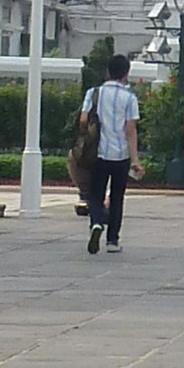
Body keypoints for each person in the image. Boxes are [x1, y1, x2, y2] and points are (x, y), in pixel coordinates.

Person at [78, 52, 141, 255]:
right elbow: (130, 130)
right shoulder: (130, 98)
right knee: (117, 196)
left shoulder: (94, 93)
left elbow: (83, 119)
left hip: (99, 152)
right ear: (126, 73)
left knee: (96, 194)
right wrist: (135, 160)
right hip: (121, 155)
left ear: (107, 72)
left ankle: (96, 222)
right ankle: (113, 240)